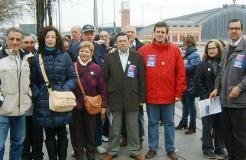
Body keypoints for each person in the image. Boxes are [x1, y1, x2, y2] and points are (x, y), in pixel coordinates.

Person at [139, 22, 187, 160]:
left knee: (169, 123)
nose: (160, 34)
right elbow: (139, 74)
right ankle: (152, 148)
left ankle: (170, 149)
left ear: (166, 34)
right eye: (157, 31)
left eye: (162, 32)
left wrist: (179, 93)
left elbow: (181, 73)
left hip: (169, 95)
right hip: (151, 95)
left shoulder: (175, 50)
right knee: (152, 123)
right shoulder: (144, 50)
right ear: (154, 33)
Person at [30, 26, 76, 160]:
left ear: (57, 39)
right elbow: (33, 81)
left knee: (62, 134)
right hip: (44, 102)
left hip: (61, 100)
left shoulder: (65, 56)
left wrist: (63, 89)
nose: (50, 39)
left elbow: (72, 77)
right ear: (43, 39)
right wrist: (38, 94)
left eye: (52, 37)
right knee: (49, 135)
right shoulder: (37, 58)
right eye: (47, 37)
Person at [102, 32, 146, 160]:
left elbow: (142, 78)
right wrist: (106, 99)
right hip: (114, 97)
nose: (122, 43)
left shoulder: (137, 56)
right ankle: (113, 150)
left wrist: (142, 98)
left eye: (124, 40)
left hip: (133, 97)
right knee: (115, 127)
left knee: (133, 126)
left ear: (128, 41)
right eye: (119, 41)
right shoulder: (109, 57)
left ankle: (135, 150)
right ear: (116, 43)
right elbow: (104, 79)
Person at [210, 18, 246, 160]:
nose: (234, 31)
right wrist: (216, 88)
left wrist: (239, 87)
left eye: (236, 28)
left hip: (240, 102)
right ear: (228, 30)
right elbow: (221, 71)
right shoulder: (226, 48)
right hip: (225, 101)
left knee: (240, 136)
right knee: (227, 135)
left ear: (241, 30)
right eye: (231, 28)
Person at [71, 41, 107, 160]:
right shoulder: (72, 66)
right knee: (76, 135)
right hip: (75, 107)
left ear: (91, 53)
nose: (84, 53)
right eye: (82, 51)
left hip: (91, 107)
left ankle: (91, 156)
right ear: (78, 52)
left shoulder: (96, 68)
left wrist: (103, 106)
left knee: (91, 134)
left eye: (87, 51)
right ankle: (79, 156)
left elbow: (102, 88)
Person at [0, 28, 32, 160]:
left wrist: (30, 96)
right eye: (12, 39)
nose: (15, 42)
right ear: (6, 40)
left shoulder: (27, 58)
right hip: (2, 111)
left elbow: (33, 80)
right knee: (0, 146)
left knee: (18, 144)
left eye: (18, 39)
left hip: (20, 111)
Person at [195, 39, 227, 159]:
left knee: (220, 125)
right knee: (207, 126)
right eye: (209, 48)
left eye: (214, 48)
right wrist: (206, 96)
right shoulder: (202, 64)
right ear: (206, 50)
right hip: (207, 100)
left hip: (221, 100)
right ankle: (207, 148)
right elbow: (198, 81)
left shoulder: (223, 63)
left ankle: (219, 148)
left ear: (218, 49)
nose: (212, 50)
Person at [120, 25, 145, 149]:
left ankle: (138, 139)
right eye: (127, 32)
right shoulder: (117, 47)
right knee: (124, 116)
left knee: (138, 117)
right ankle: (125, 137)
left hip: (135, 89)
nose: (129, 34)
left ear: (135, 34)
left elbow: (142, 74)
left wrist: (142, 95)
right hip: (122, 90)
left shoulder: (141, 48)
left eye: (131, 32)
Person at [21, 34, 44, 160]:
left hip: (37, 98)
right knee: (24, 131)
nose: (29, 45)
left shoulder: (40, 56)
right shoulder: (18, 57)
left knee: (38, 130)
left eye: (31, 42)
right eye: (26, 42)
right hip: (22, 99)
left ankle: (38, 154)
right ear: (22, 43)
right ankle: (25, 155)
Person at [175, 35, 201, 134]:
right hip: (185, 84)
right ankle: (184, 122)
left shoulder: (194, 55)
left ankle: (193, 126)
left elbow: (194, 67)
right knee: (185, 104)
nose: (183, 46)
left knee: (190, 105)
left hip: (191, 84)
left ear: (189, 43)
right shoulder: (186, 54)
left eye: (185, 43)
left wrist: (181, 67)